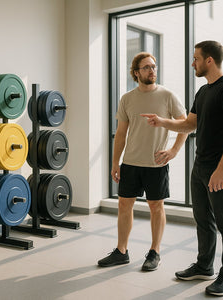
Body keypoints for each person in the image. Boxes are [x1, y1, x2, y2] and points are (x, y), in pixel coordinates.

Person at [141, 40, 223, 296]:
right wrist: (162, 121)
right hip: (200, 166)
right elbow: (189, 125)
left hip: (218, 168)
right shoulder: (202, 92)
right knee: (202, 219)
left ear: (209, 60)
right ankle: (204, 265)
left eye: (196, 58)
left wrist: (221, 170)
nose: (192, 63)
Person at [98, 52, 187, 271]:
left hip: (156, 163)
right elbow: (120, 134)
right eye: (146, 67)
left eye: (154, 67)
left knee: (156, 207)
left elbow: (185, 123)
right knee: (123, 204)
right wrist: (115, 163)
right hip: (131, 163)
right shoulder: (127, 98)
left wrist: (174, 150)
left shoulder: (167, 95)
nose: (152, 70)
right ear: (136, 72)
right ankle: (121, 251)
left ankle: (155, 252)